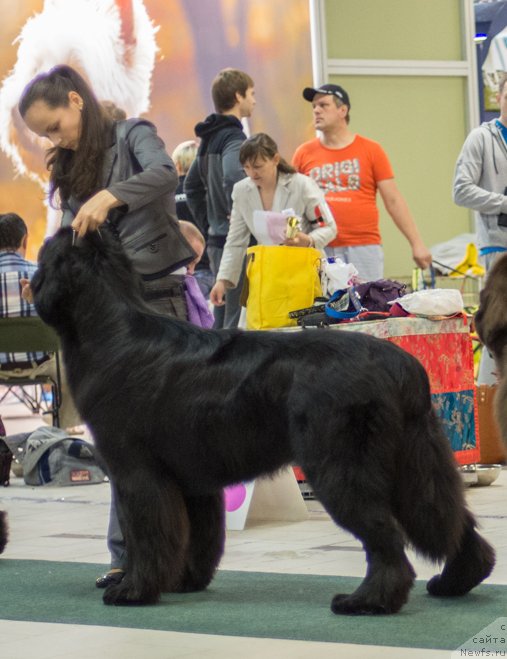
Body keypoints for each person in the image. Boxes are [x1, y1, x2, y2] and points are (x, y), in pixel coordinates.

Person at [18, 64, 196, 588]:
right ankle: (129, 556)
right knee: (123, 440)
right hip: (111, 312)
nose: (54, 140)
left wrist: (109, 195)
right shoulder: (70, 165)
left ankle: (173, 557)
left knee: (175, 437)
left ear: (76, 101)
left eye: (53, 127)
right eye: (44, 135)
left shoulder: (133, 134)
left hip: (159, 300)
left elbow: (166, 174)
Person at [292, 84, 432, 282]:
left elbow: (393, 200)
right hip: (319, 244)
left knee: (367, 308)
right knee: (321, 308)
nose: (316, 110)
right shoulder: (303, 153)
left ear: (343, 110)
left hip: (363, 245)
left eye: (323, 105)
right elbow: (292, 203)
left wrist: (417, 243)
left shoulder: (371, 150)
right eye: (314, 106)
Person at [210, 133, 336, 306]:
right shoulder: (241, 191)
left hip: (305, 271)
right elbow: (235, 241)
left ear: (275, 159)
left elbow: (330, 228)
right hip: (269, 274)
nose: (252, 173)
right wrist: (222, 280)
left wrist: (309, 240)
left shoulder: (302, 184)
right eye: (246, 167)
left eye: (257, 166)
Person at [185, 68, 256, 329]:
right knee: (235, 320)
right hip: (233, 243)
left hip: (216, 240)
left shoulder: (208, 139)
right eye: (251, 94)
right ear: (238, 96)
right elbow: (232, 177)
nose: (254, 100)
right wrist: (238, 212)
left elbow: (191, 185)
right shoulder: (234, 138)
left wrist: (209, 221)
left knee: (221, 317)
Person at [0, 212, 80, 429]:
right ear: (25, 240)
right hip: (43, 365)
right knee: (71, 357)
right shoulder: (43, 275)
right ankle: (63, 428)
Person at [453, 72, 507, 384]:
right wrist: (502, 202)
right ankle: (488, 408)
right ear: (498, 97)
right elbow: (461, 191)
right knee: (497, 328)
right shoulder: (481, 139)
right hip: (498, 249)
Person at [172, 140, 214, 298]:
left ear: (177, 164)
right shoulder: (209, 191)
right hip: (213, 267)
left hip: (184, 272)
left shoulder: (167, 195)